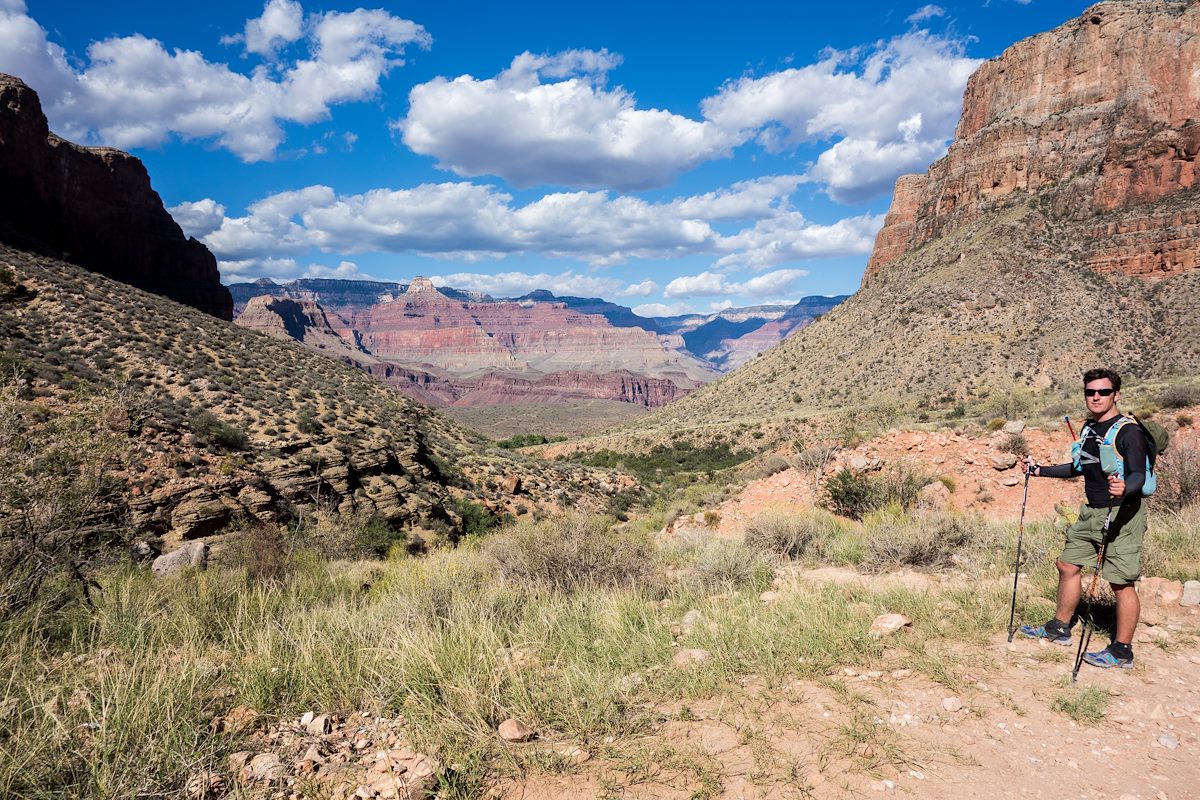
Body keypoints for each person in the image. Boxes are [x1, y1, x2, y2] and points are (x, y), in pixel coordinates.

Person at [1018, 368, 1150, 669]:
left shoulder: (1129, 432)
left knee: (1120, 582)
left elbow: (1139, 475)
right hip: (1091, 511)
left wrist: (1125, 487)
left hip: (1122, 514)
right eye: (1091, 392)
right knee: (1067, 564)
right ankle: (1059, 628)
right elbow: (1079, 468)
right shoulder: (1090, 429)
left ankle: (1122, 651)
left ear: (1116, 394)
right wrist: (1040, 471)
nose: (1096, 397)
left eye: (1103, 392)